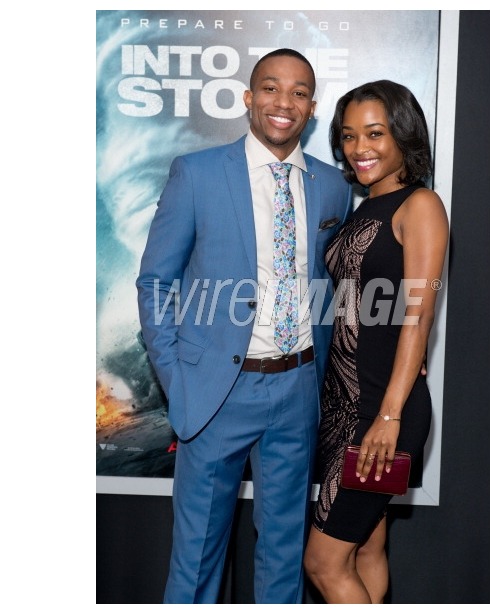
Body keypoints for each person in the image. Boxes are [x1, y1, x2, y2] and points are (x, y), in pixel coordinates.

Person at [136, 48, 352, 604]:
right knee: (198, 558)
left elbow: (337, 287)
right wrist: (178, 383)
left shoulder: (331, 187)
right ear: (249, 98)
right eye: (272, 88)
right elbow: (155, 283)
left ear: (311, 106)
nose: (285, 102)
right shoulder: (198, 173)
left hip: (298, 389)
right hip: (215, 393)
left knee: (284, 554)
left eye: (300, 92)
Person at [303, 79, 449, 603]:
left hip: (381, 410)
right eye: (347, 135)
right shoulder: (362, 207)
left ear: (403, 135)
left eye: (374, 133)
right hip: (344, 404)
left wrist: (388, 417)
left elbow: (417, 317)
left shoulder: (421, 205)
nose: (358, 148)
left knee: (322, 564)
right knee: (366, 548)